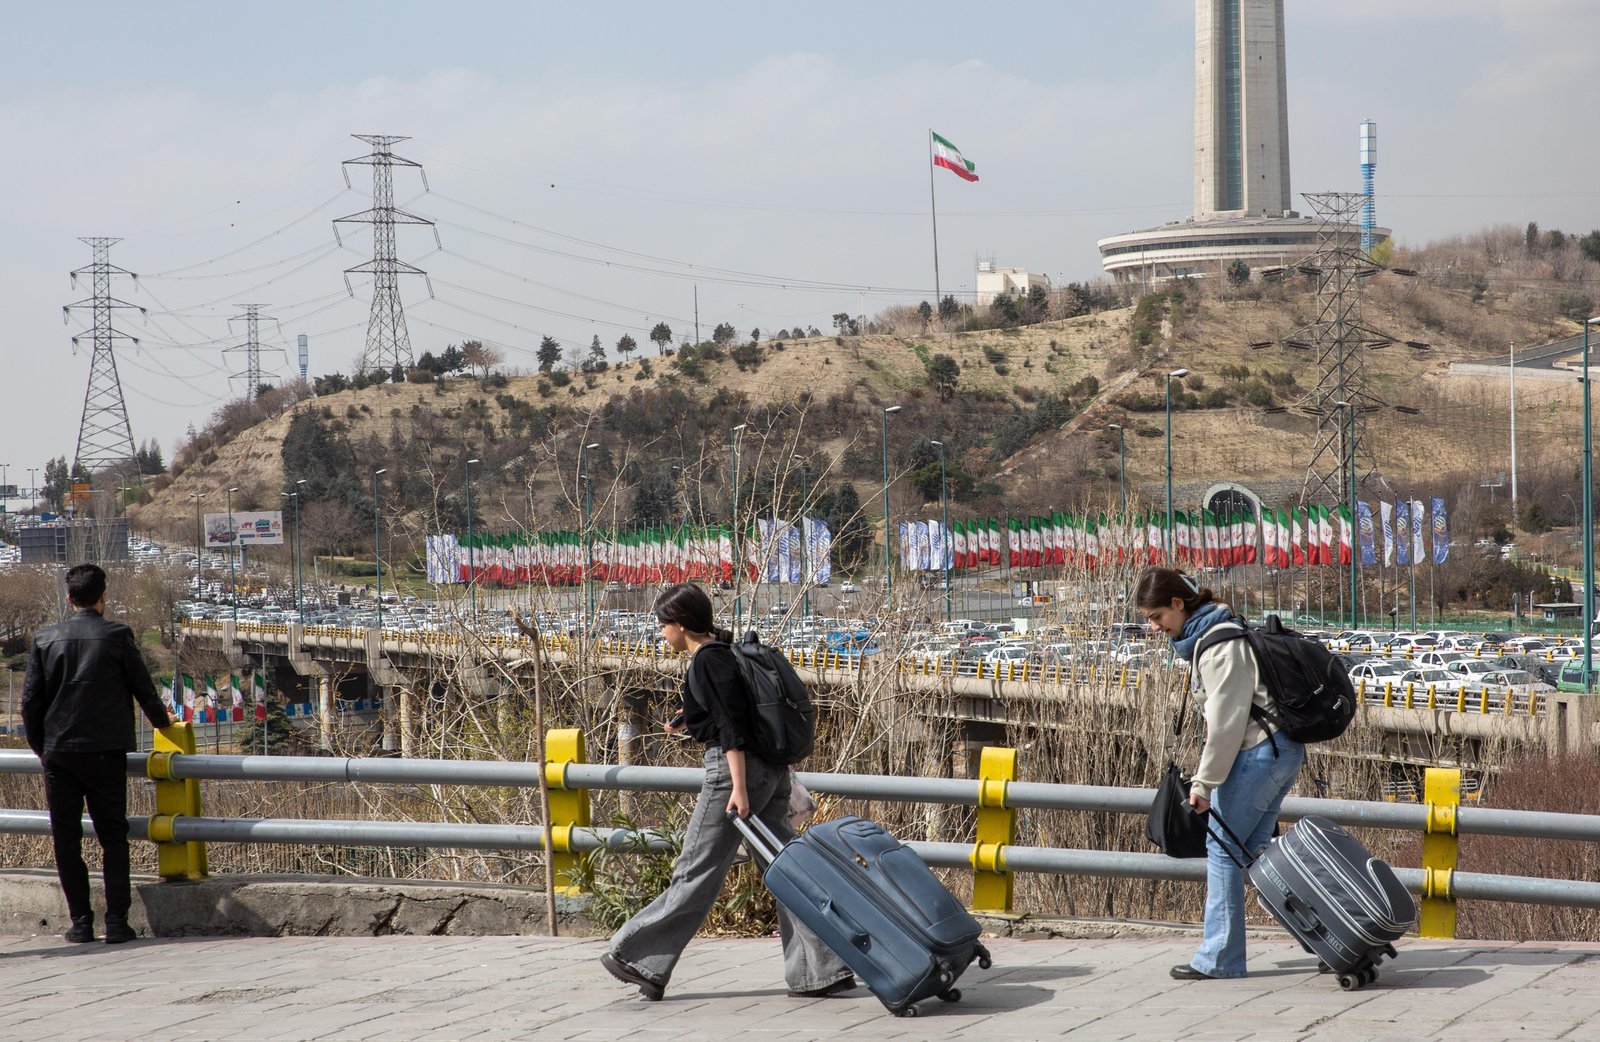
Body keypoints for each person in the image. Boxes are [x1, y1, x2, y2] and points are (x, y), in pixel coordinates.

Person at [601, 582, 853, 1002]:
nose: (661, 633)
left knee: (696, 870)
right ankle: (823, 969)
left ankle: (638, 957)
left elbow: (732, 732)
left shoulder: (706, 661)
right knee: (785, 873)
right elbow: (732, 708)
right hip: (773, 773)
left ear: (680, 625)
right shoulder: (726, 651)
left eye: (663, 625)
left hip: (736, 777)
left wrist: (736, 789)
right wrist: (690, 716)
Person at [1135, 566, 1304, 980]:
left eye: (1157, 616)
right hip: (1278, 751)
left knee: (1224, 852)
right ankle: (1325, 933)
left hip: (1258, 755)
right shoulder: (1219, 631)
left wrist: (1204, 783)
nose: (1155, 627)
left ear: (1179, 604)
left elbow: (1227, 724)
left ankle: (1220, 959)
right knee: (1259, 857)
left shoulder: (1219, 647)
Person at [21, 563, 175, 944]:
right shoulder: (117, 636)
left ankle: (80, 922)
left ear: (69, 597)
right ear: (103, 596)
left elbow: (29, 702)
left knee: (66, 838)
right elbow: (143, 689)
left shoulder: (45, 639)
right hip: (105, 751)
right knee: (113, 836)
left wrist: (43, 746)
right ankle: (118, 922)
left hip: (59, 752)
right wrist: (164, 723)